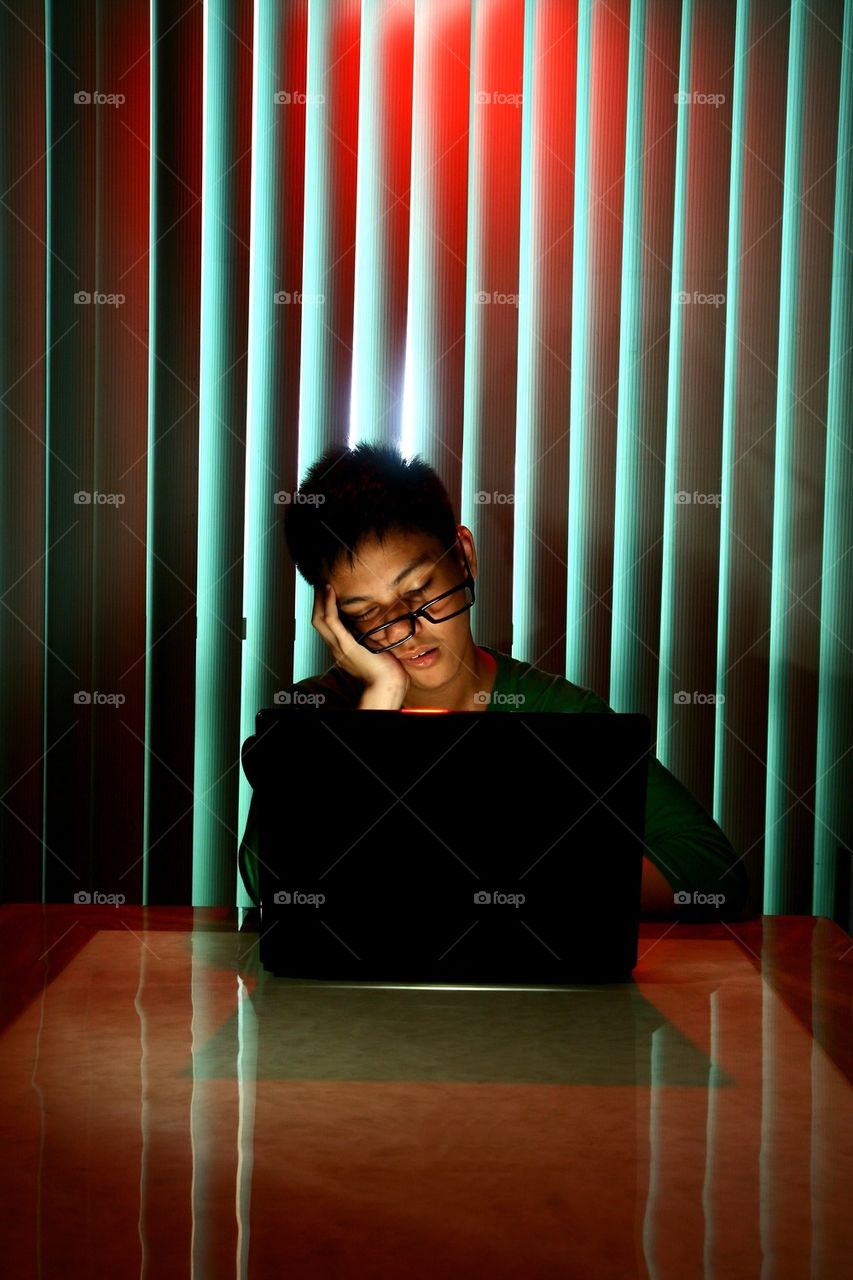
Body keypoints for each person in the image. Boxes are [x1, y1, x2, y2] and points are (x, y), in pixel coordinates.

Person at [238, 442, 748, 921]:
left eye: (420, 592)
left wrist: (504, 889)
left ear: (463, 557)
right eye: (367, 614)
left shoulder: (559, 714)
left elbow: (712, 870)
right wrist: (378, 711)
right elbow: (272, 882)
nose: (408, 632)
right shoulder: (311, 718)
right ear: (334, 622)